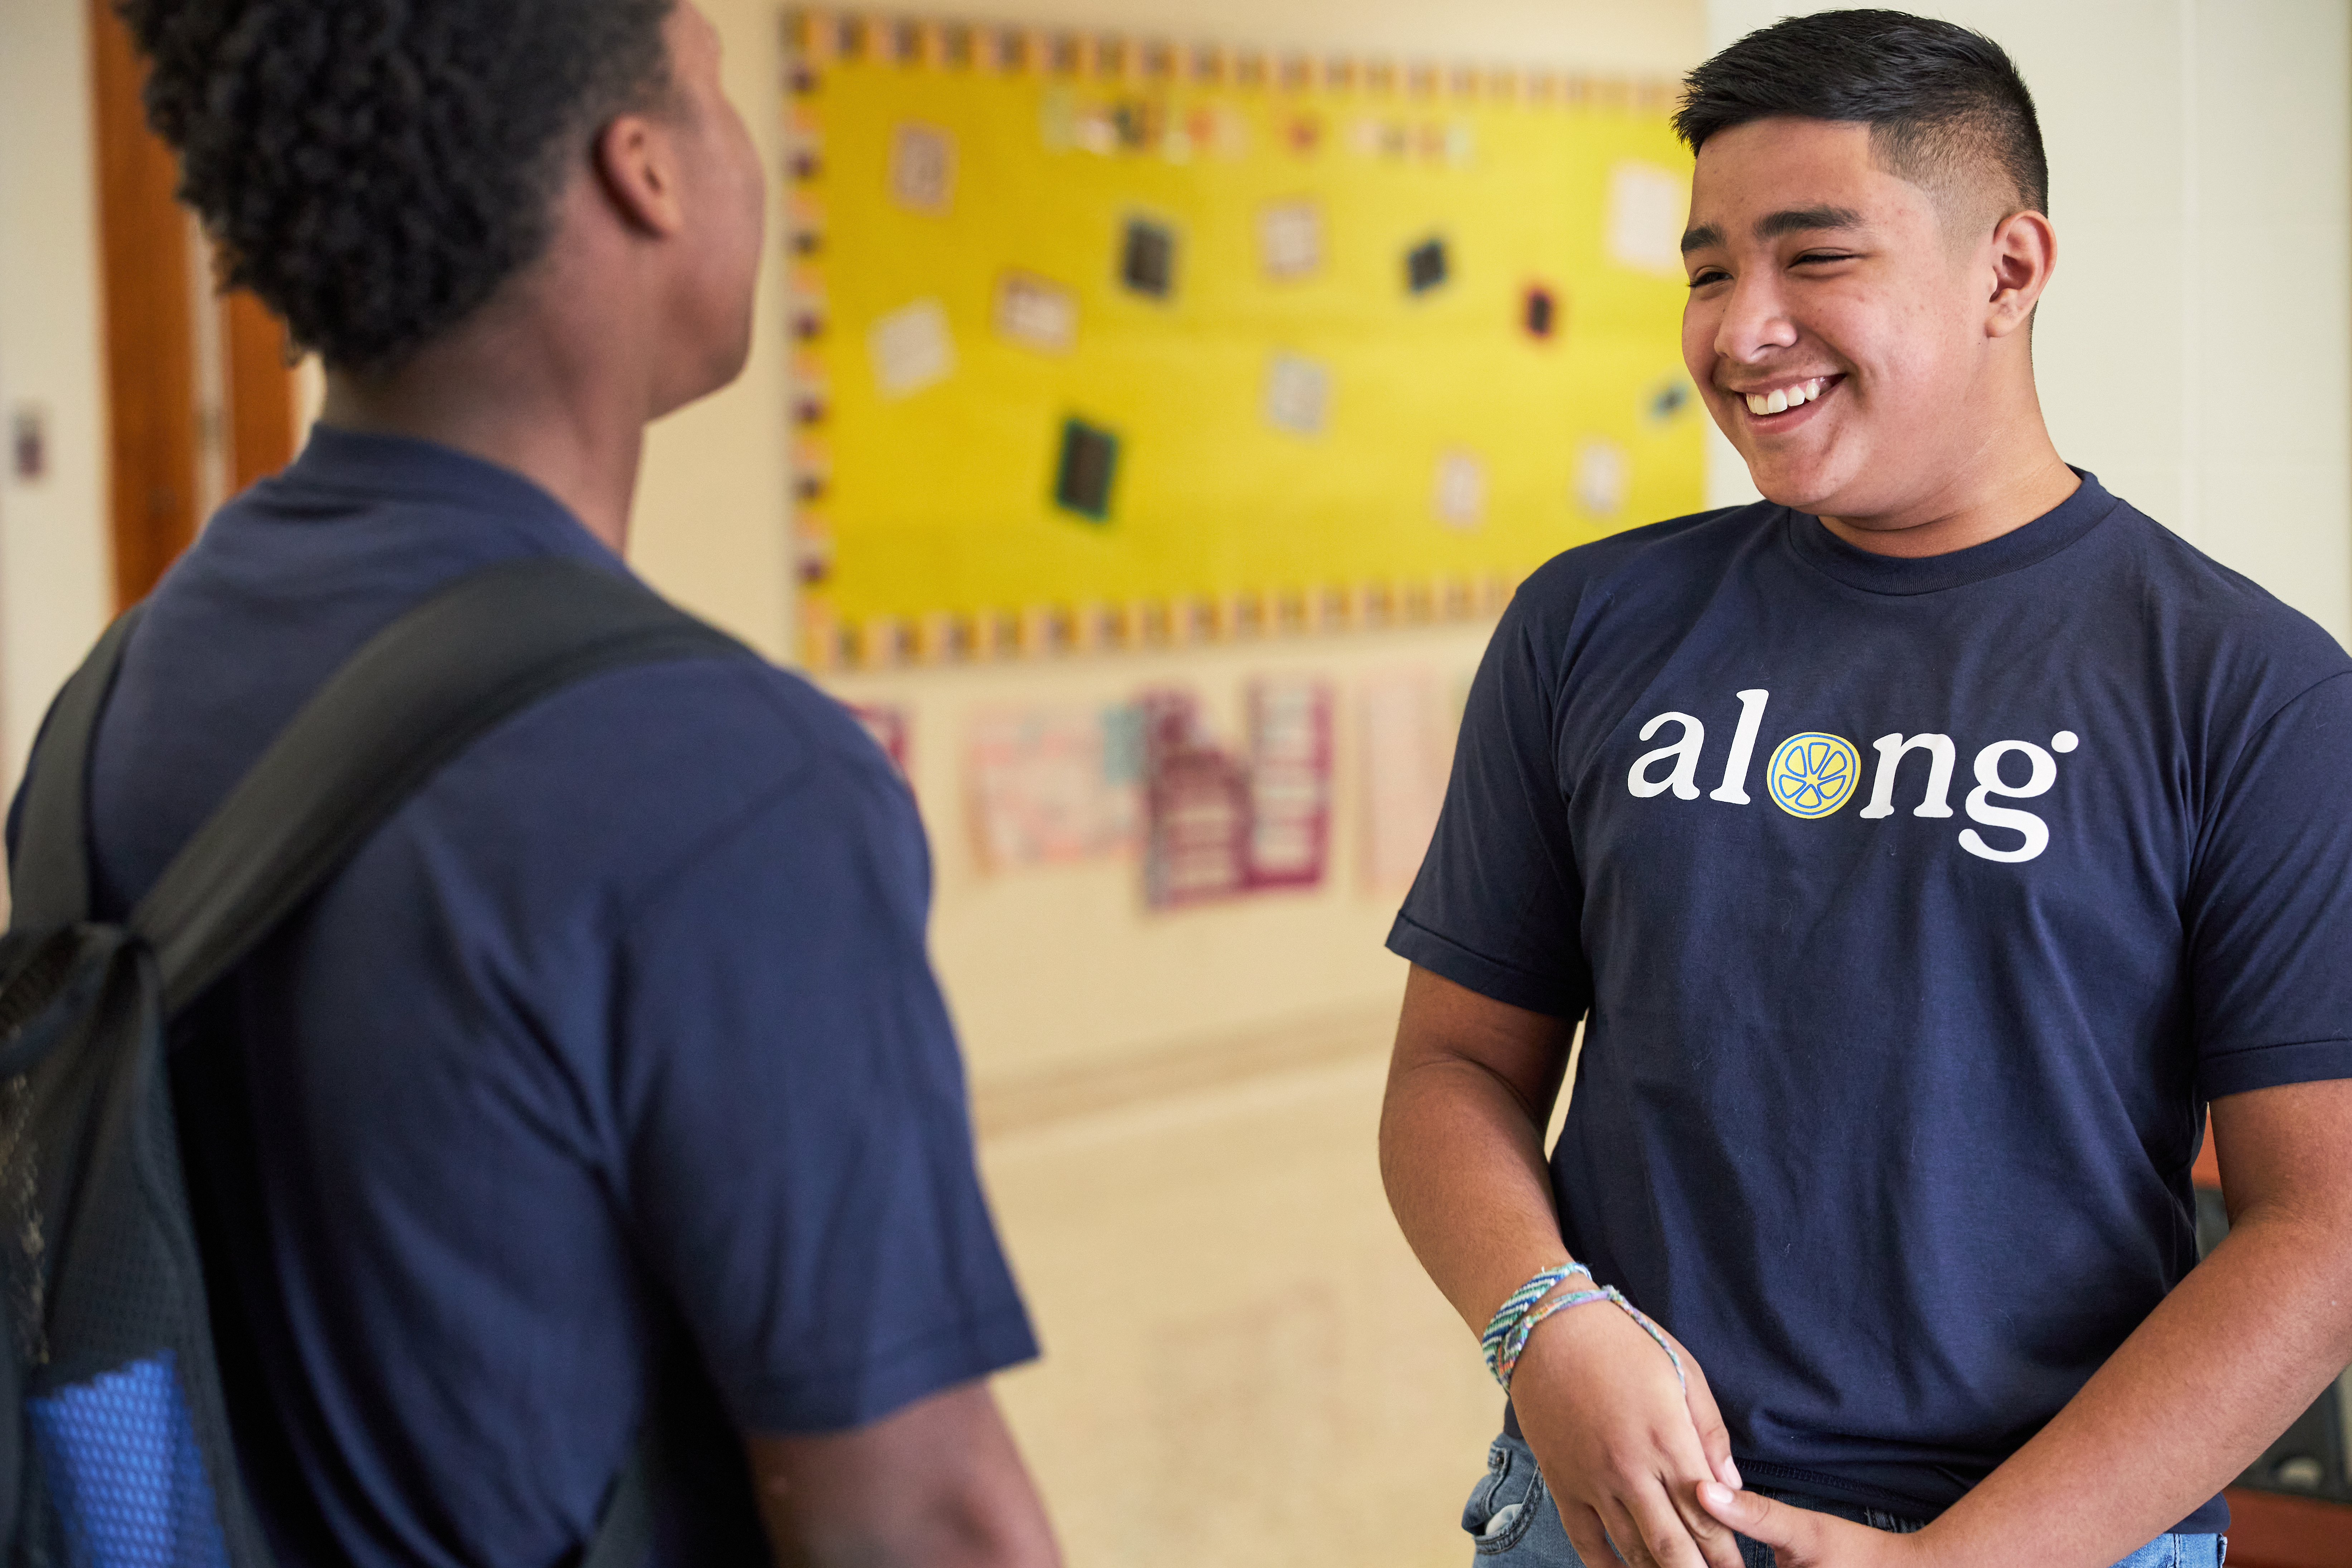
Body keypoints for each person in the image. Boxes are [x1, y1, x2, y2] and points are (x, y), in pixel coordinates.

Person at [29, 3, 1060, 1564]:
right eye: (716, 92)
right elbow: (918, 1517)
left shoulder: (107, 704)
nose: (746, 151)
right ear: (640, 169)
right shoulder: (728, 783)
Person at [1379, 11, 2352, 1568]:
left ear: (2008, 271)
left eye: (1811, 258)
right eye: (1706, 270)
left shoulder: (2246, 685)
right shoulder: (1590, 622)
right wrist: (1541, 1325)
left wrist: (1951, 1562)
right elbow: (1450, 1071)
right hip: (1621, 1522)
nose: (1737, 328)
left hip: (2051, 1536)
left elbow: (2323, 1234)